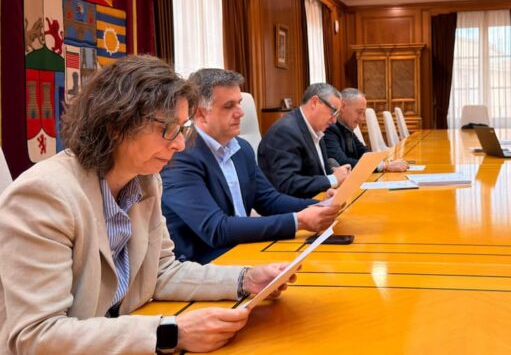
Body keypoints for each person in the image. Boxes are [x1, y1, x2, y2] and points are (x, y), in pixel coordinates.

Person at [0, 56, 298, 354]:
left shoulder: (146, 181)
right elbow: (36, 336)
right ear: (117, 123)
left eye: (182, 128)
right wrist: (171, 333)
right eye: (168, 128)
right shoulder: (43, 195)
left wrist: (245, 279)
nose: (180, 144)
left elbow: (160, 272)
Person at [161, 69, 340, 264]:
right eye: (229, 106)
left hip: (245, 248)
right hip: (204, 264)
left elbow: (269, 201)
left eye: (239, 103)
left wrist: (321, 205)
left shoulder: (242, 148)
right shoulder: (180, 157)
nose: (241, 112)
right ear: (200, 113)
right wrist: (299, 221)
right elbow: (216, 229)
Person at [258, 83, 351, 197]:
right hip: (298, 205)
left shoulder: (316, 129)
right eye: (333, 112)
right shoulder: (285, 132)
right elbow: (287, 184)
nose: (334, 121)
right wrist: (332, 179)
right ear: (315, 102)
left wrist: (335, 173)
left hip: (321, 198)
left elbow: (315, 172)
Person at [323, 88, 408, 171]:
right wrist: (383, 166)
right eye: (359, 112)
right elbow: (342, 162)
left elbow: (364, 152)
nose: (362, 118)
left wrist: (383, 163)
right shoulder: (329, 128)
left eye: (363, 113)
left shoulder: (346, 127)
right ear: (343, 106)